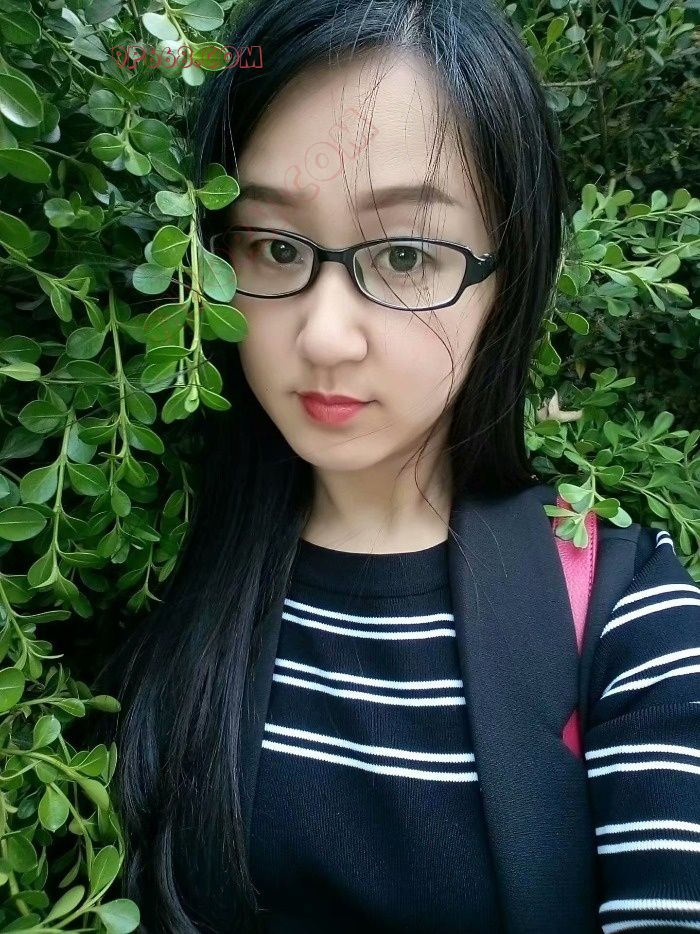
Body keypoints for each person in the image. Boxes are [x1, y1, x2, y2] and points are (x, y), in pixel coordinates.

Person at [92, 0, 700, 931]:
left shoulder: (625, 619)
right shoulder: (143, 552)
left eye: (407, 255)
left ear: (509, 277)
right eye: (274, 246)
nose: (326, 336)